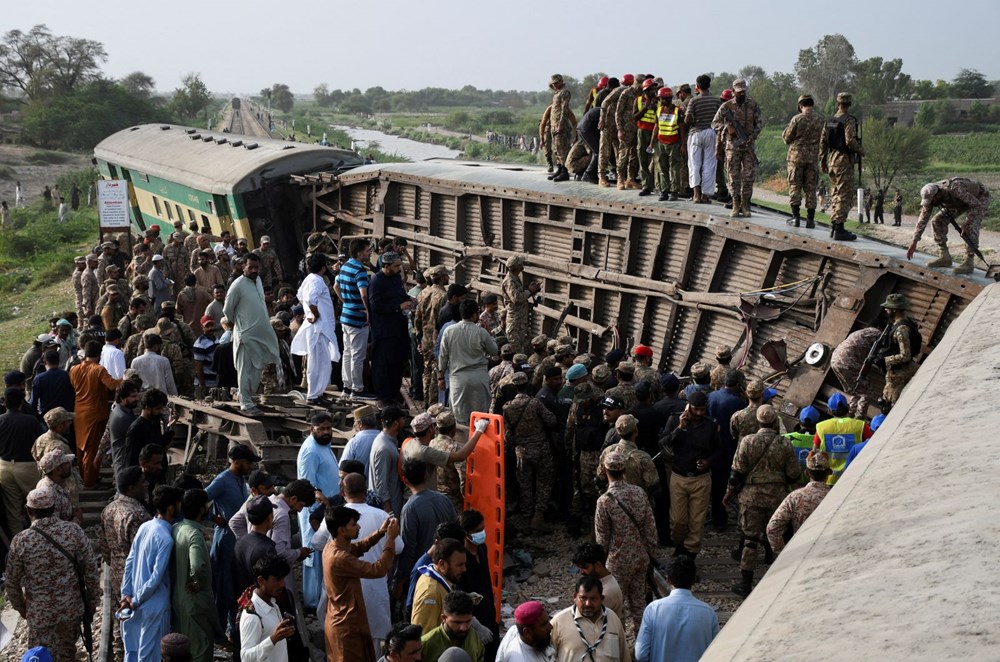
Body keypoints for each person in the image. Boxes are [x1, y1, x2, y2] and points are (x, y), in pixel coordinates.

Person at [6, 488, 100, 661]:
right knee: (67, 653)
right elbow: (91, 570)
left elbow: (11, 582)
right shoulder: (74, 531)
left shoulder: (21, 540)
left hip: (40, 613)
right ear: (54, 507)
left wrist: (21, 607)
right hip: (70, 609)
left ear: (28, 510)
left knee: (39, 656)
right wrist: (93, 601)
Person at [723, 405, 800, 597]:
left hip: (751, 497)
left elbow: (737, 473)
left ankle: (745, 583)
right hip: (776, 496)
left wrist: (729, 493)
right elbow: (793, 475)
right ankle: (777, 578)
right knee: (776, 535)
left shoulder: (748, 442)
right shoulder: (784, 443)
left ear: (758, 421)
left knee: (750, 538)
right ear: (775, 422)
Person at [323, 505, 400, 662]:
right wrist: (390, 539)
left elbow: (358, 547)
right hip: (346, 626)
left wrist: (380, 532)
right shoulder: (339, 558)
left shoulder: (332, 547)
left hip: (345, 621)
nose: (358, 527)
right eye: (353, 524)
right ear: (341, 530)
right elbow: (377, 570)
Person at [594, 450, 657, 633]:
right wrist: (651, 554)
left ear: (606, 470)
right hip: (640, 557)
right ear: (624, 470)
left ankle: (619, 649)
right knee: (639, 604)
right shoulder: (639, 493)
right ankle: (644, 645)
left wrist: (600, 565)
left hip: (617, 561)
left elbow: (602, 539)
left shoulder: (604, 501)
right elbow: (650, 528)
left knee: (615, 608)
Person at [121, 485, 184, 662]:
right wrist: (135, 600)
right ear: (172, 508)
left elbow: (130, 561)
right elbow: (156, 577)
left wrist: (126, 594)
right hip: (154, 605)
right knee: (152, 656)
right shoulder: (166, 538)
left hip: (135, 602)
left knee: (133, 652)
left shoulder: (145, 527)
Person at [206, 444, 258, 641]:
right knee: (224, 589)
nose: (251, 467)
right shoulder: (222, 481)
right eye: (248, 463)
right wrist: (213, 517)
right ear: (237, 463)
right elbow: (200, 498)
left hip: (237, 540)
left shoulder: (239, 479)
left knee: (236, 586)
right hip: (225, 540)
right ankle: (218, 634)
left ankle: (232, 630)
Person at [100, 466, 151, 660]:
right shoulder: (137, 514)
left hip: (116, 570)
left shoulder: (109, 509)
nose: (146, 485)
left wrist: (115, 563)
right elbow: (144, 551)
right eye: (142, 482)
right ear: (131, 488)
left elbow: (104, 546)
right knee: (138, 619)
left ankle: (120, 653)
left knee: (119, 616)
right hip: (136, 573)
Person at [661, 390, 718, 558]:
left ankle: (690, 554)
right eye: (696, 409)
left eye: (702, 409)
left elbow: (718, 449)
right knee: (678, 520)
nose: (700, 413)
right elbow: (663, 443)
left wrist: (709, 461)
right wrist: (679, 428)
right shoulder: (674, 419)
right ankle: (679, 544)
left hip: (701, 479)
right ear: (689, 407)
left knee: (697, 521)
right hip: (678, 477)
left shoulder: (711, 425)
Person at [172, 488, 224, 661]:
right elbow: (198, 565)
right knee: (201, 648)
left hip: (178, 599)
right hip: (196, 600)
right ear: (202, 509)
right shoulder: (194, 534)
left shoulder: (177, 527)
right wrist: (199, 582)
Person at [224, 252, 279, 415]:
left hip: (260, 335)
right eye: (250, 267)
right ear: (243, 267)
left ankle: (249, 399)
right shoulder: (237, 285)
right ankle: (245, 404)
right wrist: (239, 324)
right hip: (246, 336)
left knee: (257, 370)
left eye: (256, 267)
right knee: (245, 370)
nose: (254, 270)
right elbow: (227, 310)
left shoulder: (259, 281)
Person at [634, 555, 718, 662]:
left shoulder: (653, 609)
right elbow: (717, 654)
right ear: (693, 581)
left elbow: (641, 654)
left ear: (668, 579)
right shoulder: (708, 613)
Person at [297, 412, 341, 610]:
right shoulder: (310, 451)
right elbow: (308, 484)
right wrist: (318, 513)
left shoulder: (324, 445)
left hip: (328, 509)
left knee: (323, 554)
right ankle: (312, 602)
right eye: (320, 429)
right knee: (314, 555)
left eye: (328, 428)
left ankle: (320, 599)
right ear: (311, 429)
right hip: (315, 511)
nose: (325, 432)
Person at [906, 177, 991, 275]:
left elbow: (976, 205)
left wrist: (966, 222)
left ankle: (969, 262)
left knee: (970, 227)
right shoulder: (931, 197)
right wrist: (914, 241)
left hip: (979, 198)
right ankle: (945, 257)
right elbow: (923, 219)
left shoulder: (955, 189)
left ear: (938, 194)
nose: (931, 203)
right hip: (956, 201)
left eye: (932, 200)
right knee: (937, 221)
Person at [503, 373, 557, 527]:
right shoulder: (535, 403)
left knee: (524, 484)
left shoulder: (507, 407)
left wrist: (517, 444)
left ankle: (527, 517)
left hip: (522, 451)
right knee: (544, 481)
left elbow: (508, 435)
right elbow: (551, 421)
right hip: (541, 448)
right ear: (527, 385)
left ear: (513, 387)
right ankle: (538, 515)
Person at [69, 340, 122, 486]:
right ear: (99, 355)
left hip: (79, 412)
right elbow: (112, 385)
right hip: (96, 413)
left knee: (81, 446)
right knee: (92, 448)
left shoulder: (74, 369)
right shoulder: (98, 369)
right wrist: (126, 378)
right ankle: (90, 480)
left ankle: (84, 476)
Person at [291, 253, 341, 405]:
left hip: (318, 327)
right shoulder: (317, 281)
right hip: (319, 327)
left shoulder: (309, 279)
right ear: (323, 267)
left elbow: (300, 296)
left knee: (318, 361)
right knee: (321, 362)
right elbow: (310, 299)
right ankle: (314, 396)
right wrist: (315, 314)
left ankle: (317, 393)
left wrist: (308, 312)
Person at [440, 299, 499, 426]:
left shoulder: (449, 331)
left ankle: (461, 443)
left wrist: (440, 378)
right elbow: (494, 351)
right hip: (479, 380)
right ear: (474, 315)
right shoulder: (481, 332)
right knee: (480, 420)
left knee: (459, 419)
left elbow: (443, 357)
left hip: (458, 381)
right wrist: (490, 334)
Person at [766, 449, 833, 555]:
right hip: (830, 552)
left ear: (806, 473)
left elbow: (772, 528)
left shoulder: (795, 497)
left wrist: (782, 555)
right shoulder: (836, 496)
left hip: (802, 553)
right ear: (829, 473)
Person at [713, 78, 763, 218]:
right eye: (739, 92)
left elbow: (759, 124)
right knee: (733, 177)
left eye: (743, 92)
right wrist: (727, 128)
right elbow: (714, 123)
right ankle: (735, 204)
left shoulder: (753, 105)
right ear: (733, 91)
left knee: (748, 177)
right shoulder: (726, 106)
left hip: (748, 146)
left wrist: (752, 136)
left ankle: (745, 205)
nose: (741, 94)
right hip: (732, 146)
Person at [550, 575, 630, 662]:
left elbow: (624, 655)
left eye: (593, 599)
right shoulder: (559, 621)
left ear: (601, 599)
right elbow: (547, 656)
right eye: (583, 598)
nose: (588, 603)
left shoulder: (612, 619)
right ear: (575, 597)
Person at [369, 252, 413, 406]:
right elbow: (375, 305)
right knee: (383, 365)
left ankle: (394, 394)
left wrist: (408, 300)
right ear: (385, 266)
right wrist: (397, 307)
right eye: (396, 266)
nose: (399, 268)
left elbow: (400, 295)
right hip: (384, 331)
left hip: (398, 329)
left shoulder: (395, 278)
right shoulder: (377, 281)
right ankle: (383, 396)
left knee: (397, 363)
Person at [706, 369, 749, 531]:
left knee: (715, 483)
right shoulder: (738, 402)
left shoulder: (711, 396)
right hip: (728, 448)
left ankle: (716, 517)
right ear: (738, 384)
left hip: (710, 447)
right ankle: (723, 518)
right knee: (725, 483)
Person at [820, 92, 864, 241]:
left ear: (837, 103)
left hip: (832, 160)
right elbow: (850, 140)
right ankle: (839, 228)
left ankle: (834, 225)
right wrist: (861, 151)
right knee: (844, 195)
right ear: (849, 104)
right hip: (844, 161)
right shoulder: (849, 120)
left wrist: (822, 161)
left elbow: (823, 142)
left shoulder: (829, 121)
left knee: (835, 193)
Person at [0, 387, 43, 536]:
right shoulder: (30, 421)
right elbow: (39, 443)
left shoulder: (0, 420)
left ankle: (18, 543)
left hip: (4, 467)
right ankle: (38, 537)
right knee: (36, 505)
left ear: (5, 403)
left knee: (12, 510)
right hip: (27, 466)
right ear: (21, 403)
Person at [238, 554, 296, 662]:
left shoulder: (273, 604)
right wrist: (273, 639)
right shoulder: (252, 616)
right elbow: (245, 657)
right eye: (277, 579)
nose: (282, 584)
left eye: (283, 579)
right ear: (261, 580)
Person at [335, 238, 373, 399]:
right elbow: (364, 293)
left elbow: (336, 286)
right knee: (358, 355)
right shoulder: (360, 270)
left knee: (348, 353)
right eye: (367, 250)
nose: (369, 252)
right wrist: (367, 310)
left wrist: (346, 301)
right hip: (358, 318)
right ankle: (357, 390)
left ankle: (347, 387)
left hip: (346, 315)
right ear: (359, 253)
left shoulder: (345, 266)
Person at [782, 93, 825, 228]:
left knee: (795, 186)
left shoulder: (797, 119)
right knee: (811, 189)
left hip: (796, 159)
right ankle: (810, 220)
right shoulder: (821, 120)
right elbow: (824, 140)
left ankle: (795, 218)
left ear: (800, 106)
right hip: (812, 159)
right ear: (812, 104)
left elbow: (787, 139)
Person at [411, 537, 468, 635]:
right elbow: (425, 637)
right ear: (442, 564)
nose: (464, 569)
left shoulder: (443, 579)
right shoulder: (431, 593)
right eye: (459, 565)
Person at [813, 392, 872, 485]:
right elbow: (871, 447)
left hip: (828, 479)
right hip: (855, 476)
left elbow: (814, 453)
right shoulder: (861, 426)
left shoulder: (821, 427)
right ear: (848, 407)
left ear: (830, 410)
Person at [877, 293, 921, 409]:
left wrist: (885, 360)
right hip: (903, 369)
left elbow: (905, 355)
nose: (885, 309)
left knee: (890, 407)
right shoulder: (905, 322)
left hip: (899, 373)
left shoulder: (901, 329)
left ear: (895, 309)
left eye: (888, 307)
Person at [684, 74, 723, 204]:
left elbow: (688, 119)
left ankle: (696, 195)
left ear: (697, 86)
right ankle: (705, 196)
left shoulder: (693, 101)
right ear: (709, 85)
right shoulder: (716, 101)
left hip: (696, 133)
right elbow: (720, 119)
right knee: (709, 165)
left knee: (694, 165)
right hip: (711, 133)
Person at [420, 590, 485, 662]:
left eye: (468, 621)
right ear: (444, 618)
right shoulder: (426, 644)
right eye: (457, 622)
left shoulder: (474, 637)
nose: (463, 628)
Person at [571, 542, 624, 620]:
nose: (581, 572)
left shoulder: (607, 591)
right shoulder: (602, 582)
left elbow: (586, 619)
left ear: (598, 565)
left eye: (585, 567)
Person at [369, 406, 406, 515]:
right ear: (395, 424)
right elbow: (381, 485)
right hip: (389, 509)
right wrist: (389, 513)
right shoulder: (384, 448)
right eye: (402, 419)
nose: (404, 421)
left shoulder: (387, 441)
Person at [124, 388, 173, 469]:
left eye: (162, 408)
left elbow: (159, 444)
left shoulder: (154, 421)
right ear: (147, 408)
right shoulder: (136, 429)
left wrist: (169, 426)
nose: (161, 412)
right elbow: (131, 461)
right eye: (158, 409)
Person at [501, 256, 538, 355]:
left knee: (523, 346)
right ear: (516, 267)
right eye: (520, 264)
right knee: (516, 349)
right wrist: (530, 291)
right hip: (515, 321)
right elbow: (516, 299)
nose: (522, 265)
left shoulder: (515, 278)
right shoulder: (510, 281)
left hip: (521, 319)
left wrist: (531, 291)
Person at [108, 380, 141, 477]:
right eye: (133, 397)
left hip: (123, 463)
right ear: (122, 398)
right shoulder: (122, 417)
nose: (137, 399)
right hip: (124, 465)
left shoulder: (122, 411)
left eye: (137, 395)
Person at [28, 349, 74, 417]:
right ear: (58, 361)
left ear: (45, 362)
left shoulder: (39, 379)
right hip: (65, 415)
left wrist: (36, 416)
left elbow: (33, 402)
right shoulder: (68, 375)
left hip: (47, 416)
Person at [546, 74, 573, 183]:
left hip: (560, 125)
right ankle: (560, 169)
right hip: (554, 124)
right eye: (553, 84)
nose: (554, 85)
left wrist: (561, 123)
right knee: (556, 149)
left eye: (556, 83)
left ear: (561, 81)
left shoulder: (564, 92)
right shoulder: (557, 93)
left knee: (562, 149)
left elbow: (564, 109)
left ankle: (564, 172)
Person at [342, 404, 381, 473]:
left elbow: (343, 468)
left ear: (360, 424)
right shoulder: (383, 438)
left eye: (355, 422)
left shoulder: (354, 442)